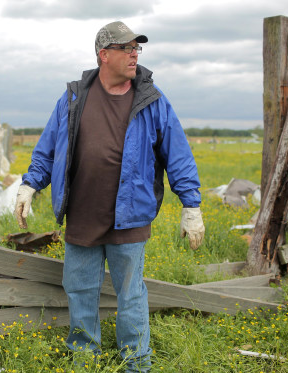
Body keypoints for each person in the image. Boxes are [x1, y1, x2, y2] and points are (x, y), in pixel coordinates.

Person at [14, 21, 205, 372]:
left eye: (137, 48)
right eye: (126, 48)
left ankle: (136, 364)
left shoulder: (152, 99)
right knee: (80, 291)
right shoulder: (74, 97)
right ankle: (84, 360)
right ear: (104, 54)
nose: (135, 54)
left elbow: (177, 154)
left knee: (131, 295)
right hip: (83, 215)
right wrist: (30, 184)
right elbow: (48, 149)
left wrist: (191, 205)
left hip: (130, 216)